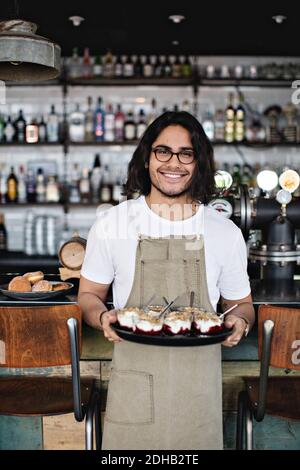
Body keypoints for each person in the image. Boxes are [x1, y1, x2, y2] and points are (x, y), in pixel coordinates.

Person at [78, 111, 255, 450]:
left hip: (198, 394)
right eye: (163, 151)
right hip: (135, 389)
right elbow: (88, 294)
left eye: (186, 153)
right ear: (146, 157)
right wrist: (101, 316)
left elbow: (242, 306)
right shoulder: (113, 223)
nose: (174, 163)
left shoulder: (224, 232)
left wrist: (240, 321)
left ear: (198, 163)